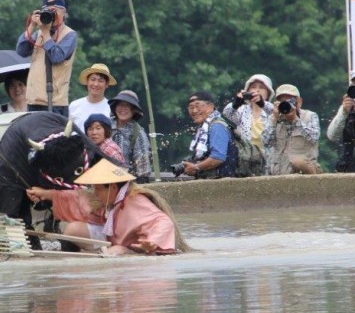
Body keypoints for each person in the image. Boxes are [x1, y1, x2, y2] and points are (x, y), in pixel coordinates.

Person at [25, 158, 188, 255]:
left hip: (133, 248)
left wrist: (153, 242)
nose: (94, 193)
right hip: (113, 240)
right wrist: (46, 194)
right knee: (72, 229)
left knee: (115, 252)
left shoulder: (135, 202)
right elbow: (78, 199)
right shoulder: (109, 199)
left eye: (97, 189)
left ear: (113, 188)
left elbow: (163, 222)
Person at [16, 0, 78, 116]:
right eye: (47, 11)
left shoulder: (70, 35)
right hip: (33, 100)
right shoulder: (39, 33)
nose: (51, 14)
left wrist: (45, 33)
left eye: (54, 11)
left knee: (54, 136)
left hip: (55, 103)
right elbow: (21, 51)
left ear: (63, 12)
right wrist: (32, 26)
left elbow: (57, 57)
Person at [222, 73, 274, 176]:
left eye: (261, 88)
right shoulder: (241, 109)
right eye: (253, 87)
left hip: (268, 159)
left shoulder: (271, 110)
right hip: (245, 157)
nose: (257, 90)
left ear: (268, 93)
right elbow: (226, 117)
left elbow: (281, 116)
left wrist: (262, 104)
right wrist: (236, 104)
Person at [262, 84, 321, 175]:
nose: (286, 104)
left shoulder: (310, 116)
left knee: (299, 162)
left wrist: (295, 120)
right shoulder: (273, 118)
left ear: (299, 102)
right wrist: (274, 120)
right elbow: (266, 143)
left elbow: (314, 138)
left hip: (304, 173)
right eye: (282, 102)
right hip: (279, 173)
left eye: (290, 101)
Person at [178, 91, 236, 179]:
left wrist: (196, 167)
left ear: (210, 107)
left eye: (198, 106)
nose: (194, 111)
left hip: (223, 182)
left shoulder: (217, 126)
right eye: (191, 107)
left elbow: (218, 158)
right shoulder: (204, 128)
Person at [109, 89, 153, 180]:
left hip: (128, 183)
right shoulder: (105, 126)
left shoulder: (138, 132)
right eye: (120, 105)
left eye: (127, 106)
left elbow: (143, 169)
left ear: (134, 110)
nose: (123, 109)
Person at [68, 63, 116, 131]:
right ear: (87, 81)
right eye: (93, 79)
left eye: (100, 81)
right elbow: (67, 133)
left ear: (107, 84)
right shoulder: (74, 105)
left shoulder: (111, 109)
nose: (96, 84)